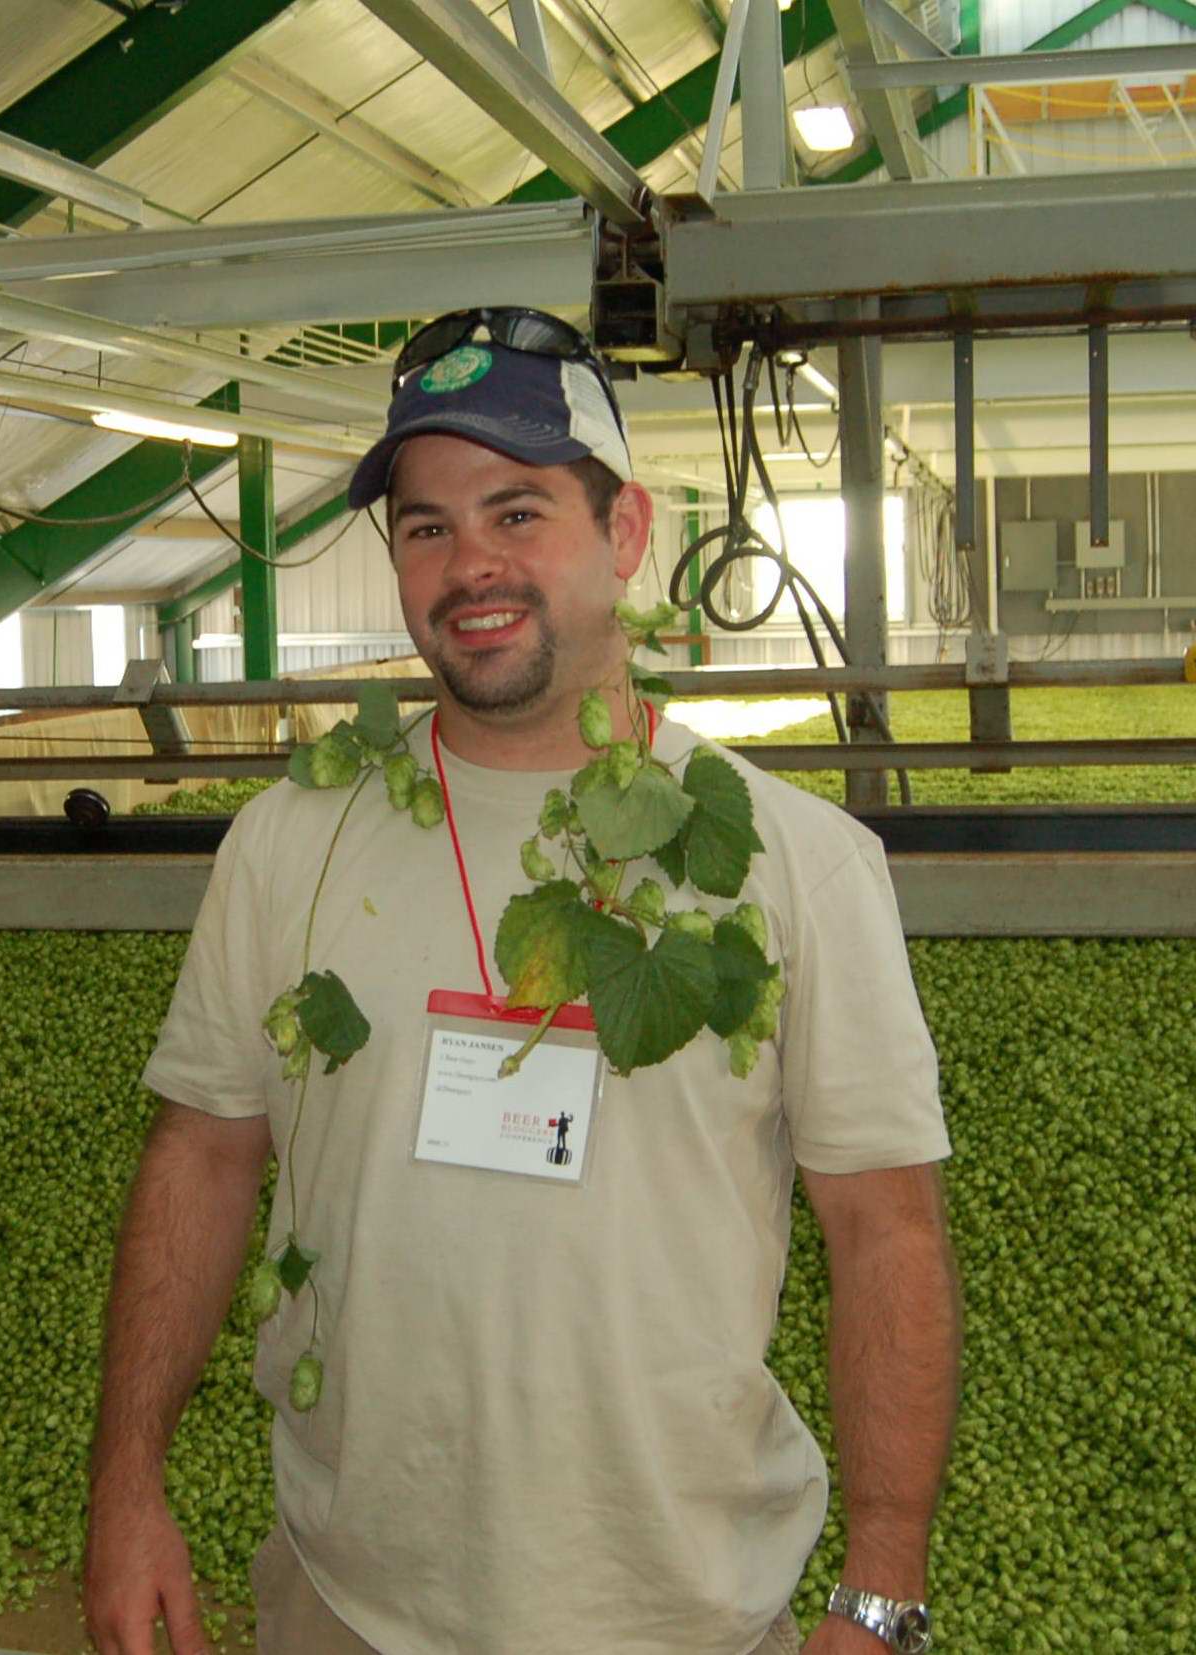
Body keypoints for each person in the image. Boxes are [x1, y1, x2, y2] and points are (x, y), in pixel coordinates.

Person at [82, 309, 960, 1655]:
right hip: (347, 1600)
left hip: (679, 1610)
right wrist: (126, 1485)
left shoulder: (798, 864)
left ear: (622, 535)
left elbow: (884, 1231)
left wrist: (878, 1591)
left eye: (515, 511)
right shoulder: (291, 844)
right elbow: (200, 1154)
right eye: (424, 527)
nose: (467, 566)